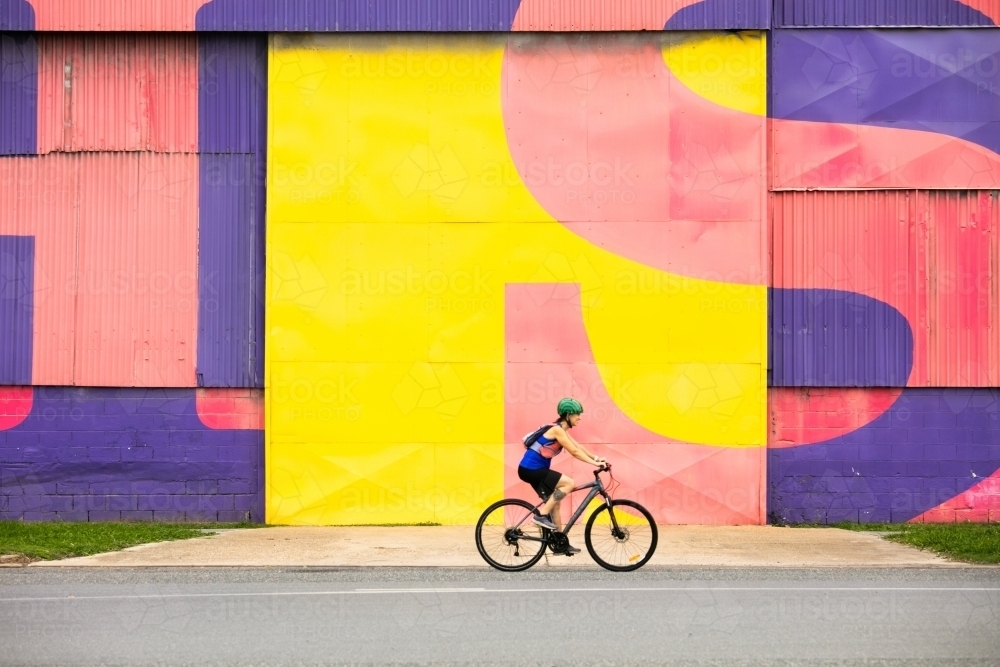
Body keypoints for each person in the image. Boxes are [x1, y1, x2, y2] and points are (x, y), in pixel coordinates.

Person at [517, 397, 606, 555]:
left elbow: (578, 446)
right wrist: (595, 465)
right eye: (577, 414)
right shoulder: (557, 430)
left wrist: (597, 459)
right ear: (567, 416)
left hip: (532, 470)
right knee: (568, 483)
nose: (580, 417)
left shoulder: (560, 429)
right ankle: (541, 516)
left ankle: (559, 543)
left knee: (555, 504)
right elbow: (574, 452)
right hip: (531, 469)